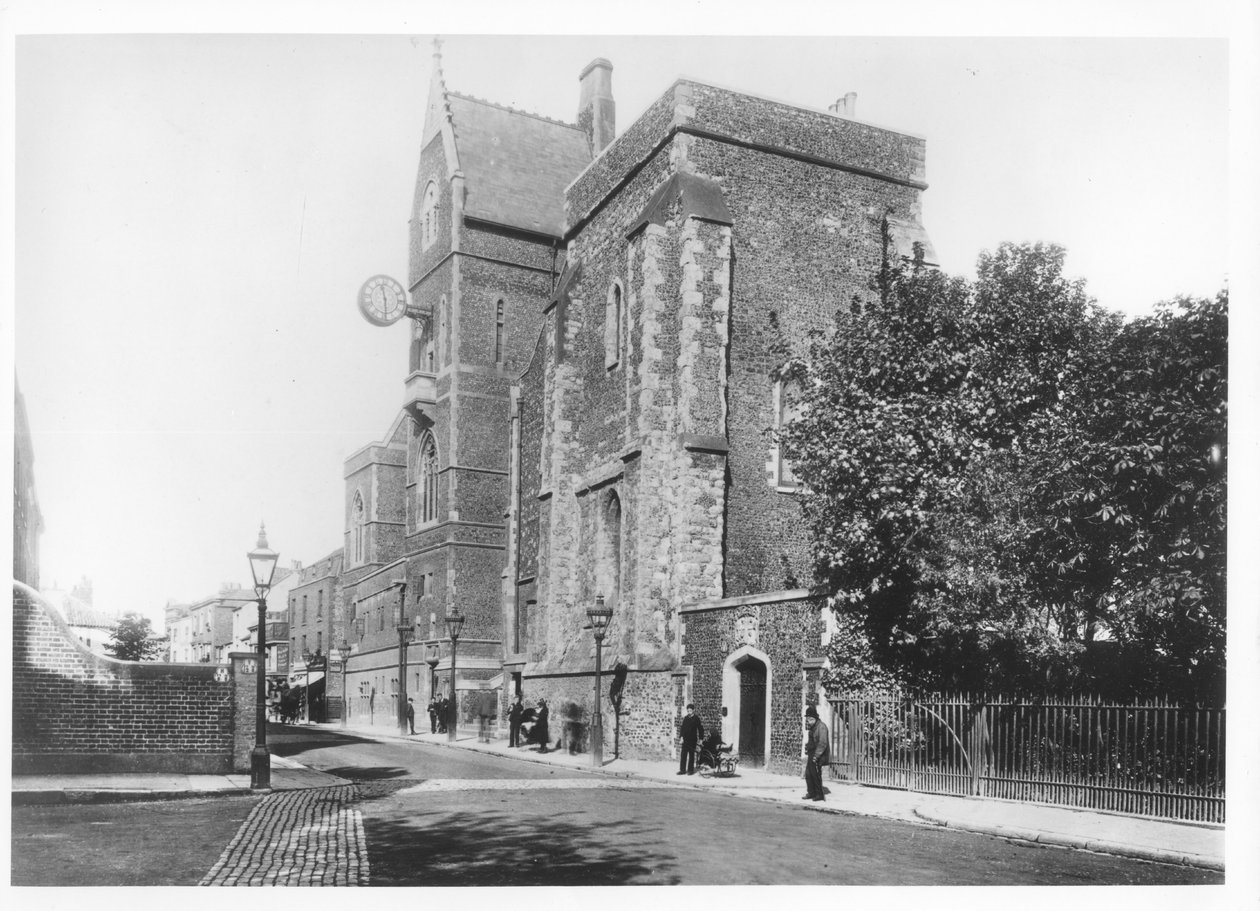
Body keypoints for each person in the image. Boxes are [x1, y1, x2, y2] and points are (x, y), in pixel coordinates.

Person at [803, 705, 830, 801]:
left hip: (819, 754)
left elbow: (822, 743)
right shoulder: (813, 727)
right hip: (812, 753)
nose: (808, 721)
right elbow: (812, 741)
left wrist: (816, 756)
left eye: (810, 719)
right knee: (808, 774)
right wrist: (808, 747)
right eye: (807, 719)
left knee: (816, 774)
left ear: (815, 718)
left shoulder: (821, 727)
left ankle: (819, 795)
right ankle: (811, 792)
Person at [678, 703, 704, 775]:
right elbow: (682, 728)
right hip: (685, 740)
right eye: (688, 711)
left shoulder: (696, 719)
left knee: (691, 755)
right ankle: (682, 770)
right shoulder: (686, 718)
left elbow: (700, 729)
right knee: (683, 755)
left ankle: (690, 770)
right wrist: (681, 737)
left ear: (693, 710)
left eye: (690, 711)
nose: (689, 712)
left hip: (692, 740)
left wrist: (701, 739)